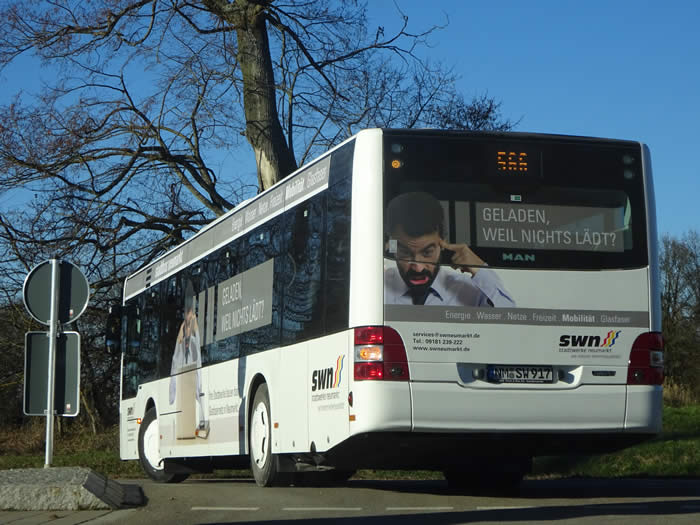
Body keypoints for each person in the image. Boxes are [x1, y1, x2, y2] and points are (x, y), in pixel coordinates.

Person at [384, 192, 515, 307]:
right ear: (392, 245)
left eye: (427, 252)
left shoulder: (469, 291)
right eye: (405, 253)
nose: (418, 268)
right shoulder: (377, 285)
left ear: (443, 243)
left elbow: (510, 318)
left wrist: (480, 269)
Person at [169, 281, 208, 437]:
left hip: (193, 372)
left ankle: (199, 424)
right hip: (184, 375)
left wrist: (193, 327)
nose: (189, 316)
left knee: (198, 396)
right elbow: (176, 357)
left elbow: (197, 346)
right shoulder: (183, 331)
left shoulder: (195, 332)